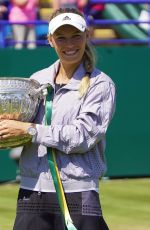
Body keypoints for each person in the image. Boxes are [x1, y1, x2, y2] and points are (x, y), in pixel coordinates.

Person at [0, 7, 116, 230]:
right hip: (32, 193)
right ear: (50, 40)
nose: (69, 44)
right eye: (61, 38)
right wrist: (7, 129)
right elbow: (21, 133)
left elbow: (82, 137)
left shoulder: (101, 85)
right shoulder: (37, 80)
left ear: (87, 36)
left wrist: (29, 130)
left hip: (78, 195)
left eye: (76, 36)